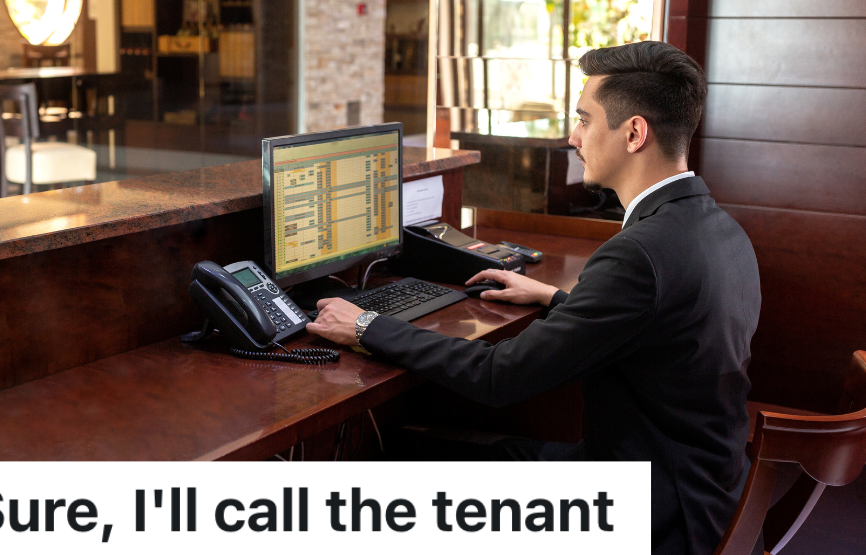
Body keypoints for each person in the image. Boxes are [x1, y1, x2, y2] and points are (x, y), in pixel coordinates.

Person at [307, 41, 761, 555]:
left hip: (653, 514)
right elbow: (658, 331)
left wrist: (367, 325)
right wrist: (553, 296)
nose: (573, 137)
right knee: (478, 453)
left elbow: (499, 377)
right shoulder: (719, 230)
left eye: (584, 120)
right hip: (708, 489)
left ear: (635, 133)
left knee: (404, 474)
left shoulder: (639, 253)